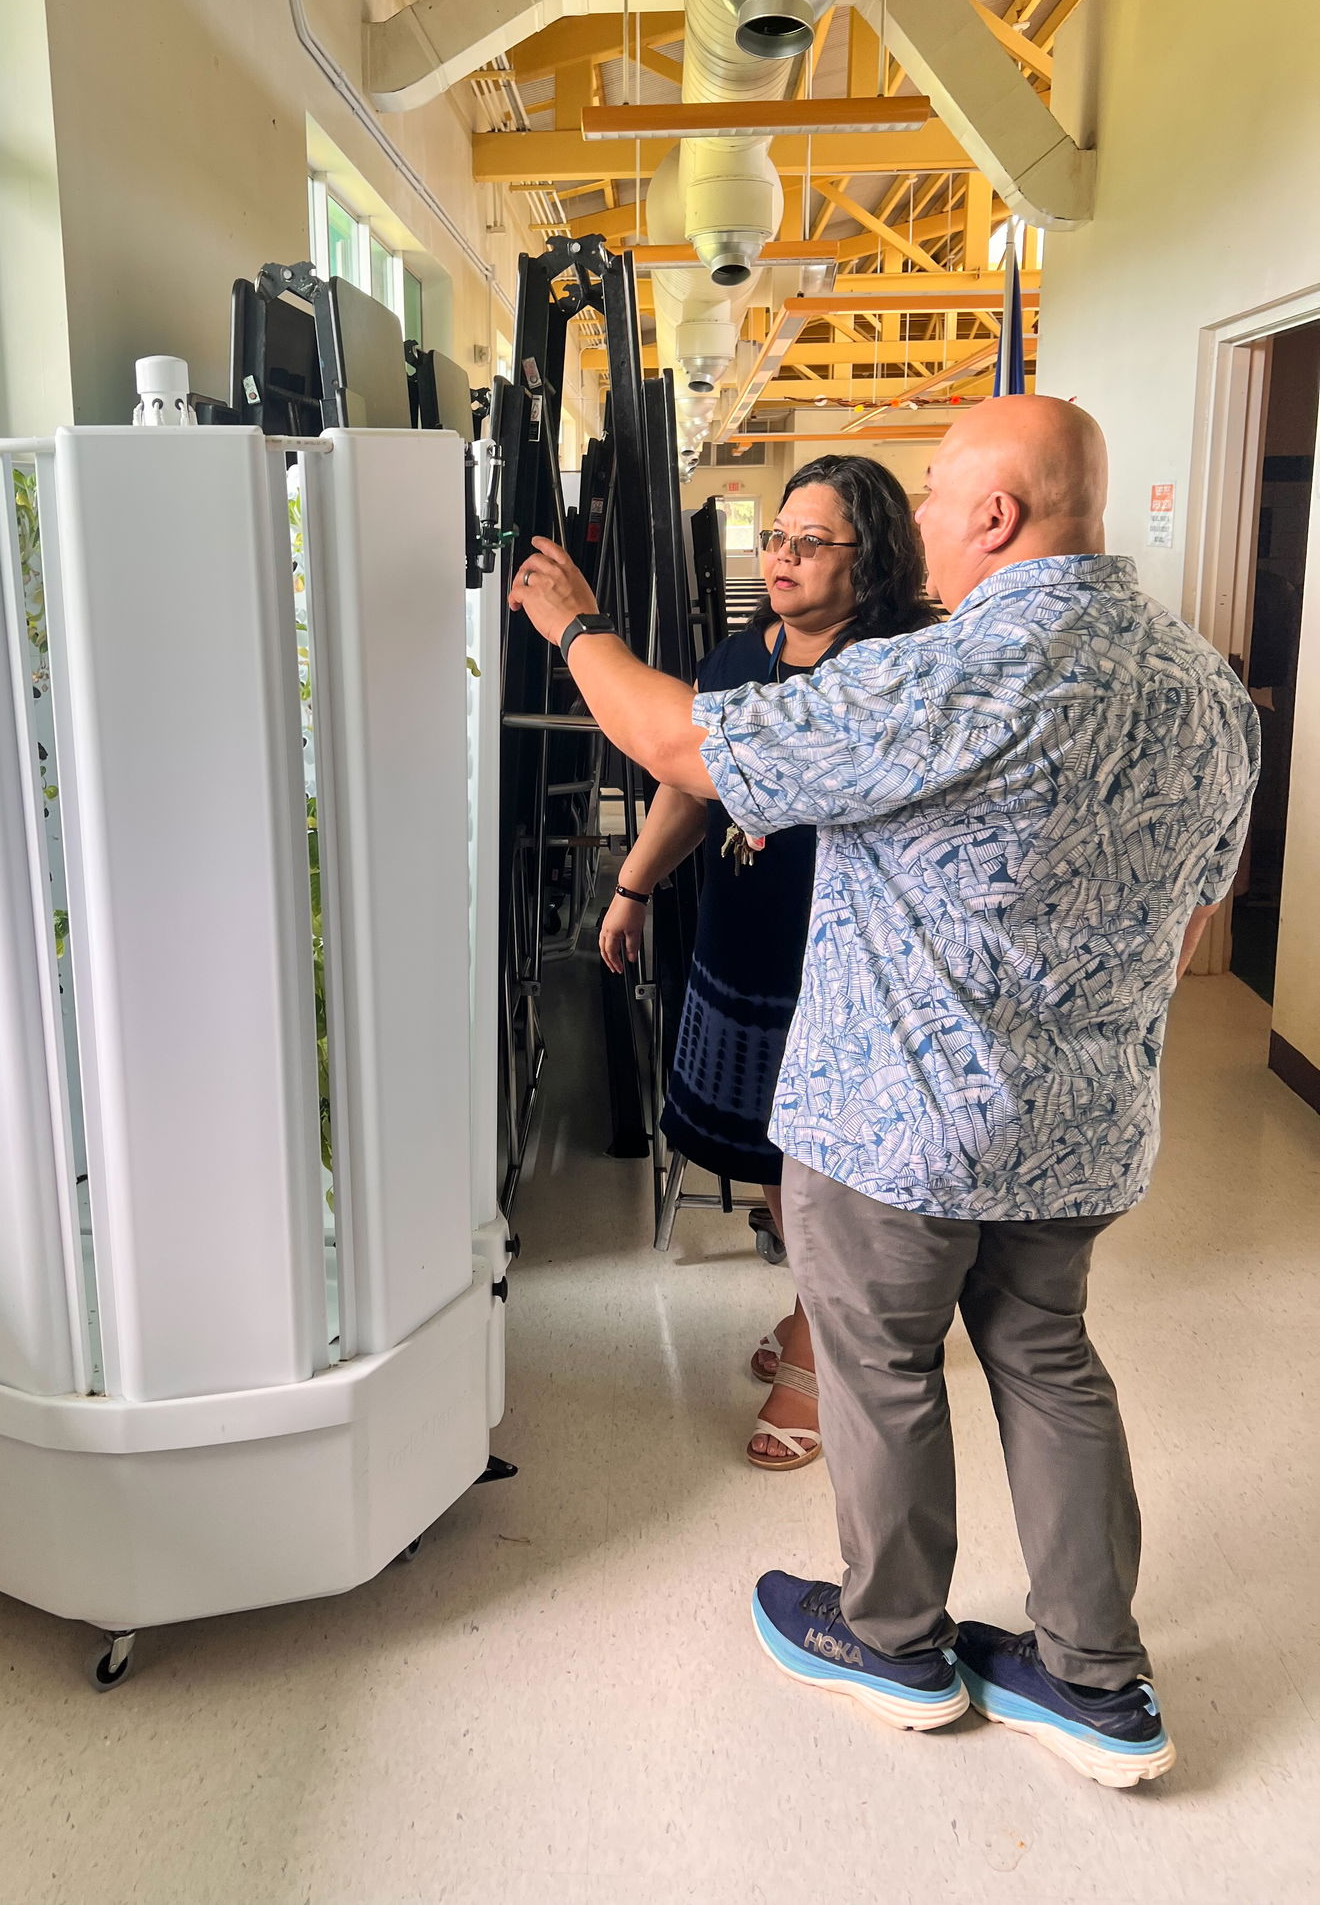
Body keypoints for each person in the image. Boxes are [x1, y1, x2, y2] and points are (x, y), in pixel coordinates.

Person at [509, 395, 1258, 1790]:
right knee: (1050, 1361)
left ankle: (894, 1641)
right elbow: (1196, 913)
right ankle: (1097, 1681)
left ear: (995, 514)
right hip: (1081, 1128)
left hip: (900, 1125)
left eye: (931, 492)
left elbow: (682, 748)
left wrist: (575, 626)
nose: (916, 518)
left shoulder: (954, 671)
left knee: (882, 1366)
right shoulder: (1203, 688)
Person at [598, 455, 934, 1471]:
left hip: (849, 963)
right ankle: (811, 1309)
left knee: (827, 1171)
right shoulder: (742, 656)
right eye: (775, 537)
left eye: (809, 542)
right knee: (775, 1158)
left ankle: (823, 1353)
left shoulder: (898, 668)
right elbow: (689, 782)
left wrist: (579, 632)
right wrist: (633, 885)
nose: (780, 557)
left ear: (870, 555)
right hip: (747, 940)